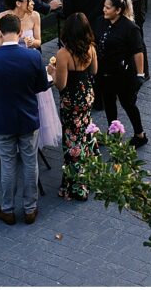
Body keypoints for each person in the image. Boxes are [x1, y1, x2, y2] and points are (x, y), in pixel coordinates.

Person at [0, 14, 48, 226]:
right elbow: (42, 85)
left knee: (7, 165)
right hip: (27, 117)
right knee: (30, 162)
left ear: (0, 32)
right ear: (19, 33)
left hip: (3, 119)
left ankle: (7, 209)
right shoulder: (33, 57)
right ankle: (30, 209)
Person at [0, 0, 61, 153]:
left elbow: (39, 41)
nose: (33, 3)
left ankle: (34, 139)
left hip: (30, 62)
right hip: (8, 62)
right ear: (18, 3)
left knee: (35, 100)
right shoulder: (3, 17)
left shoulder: (35, 16)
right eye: (29, 0)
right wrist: (17, 40)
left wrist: (31, 42)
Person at [49, 13, 98, 201]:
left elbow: (60, 84)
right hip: (87, 97)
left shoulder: (64, 54)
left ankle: (76, 186)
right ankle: (90, 176)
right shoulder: (91, 48)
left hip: (72, 102)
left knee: (72, 142)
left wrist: (52, 71)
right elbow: (94, 71)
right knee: (85, 137)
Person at [94, 0, 148, 148]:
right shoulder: (101, 22)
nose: (104, 10)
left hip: (124, 74)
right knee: (109, 103)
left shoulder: (130, 28)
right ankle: (113, 132)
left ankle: (140, 134)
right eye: (104, 6)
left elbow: (138, 51)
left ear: (118, 10)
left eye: (107, 7)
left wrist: (140, 74)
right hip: (105, 73)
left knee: (128, 104)